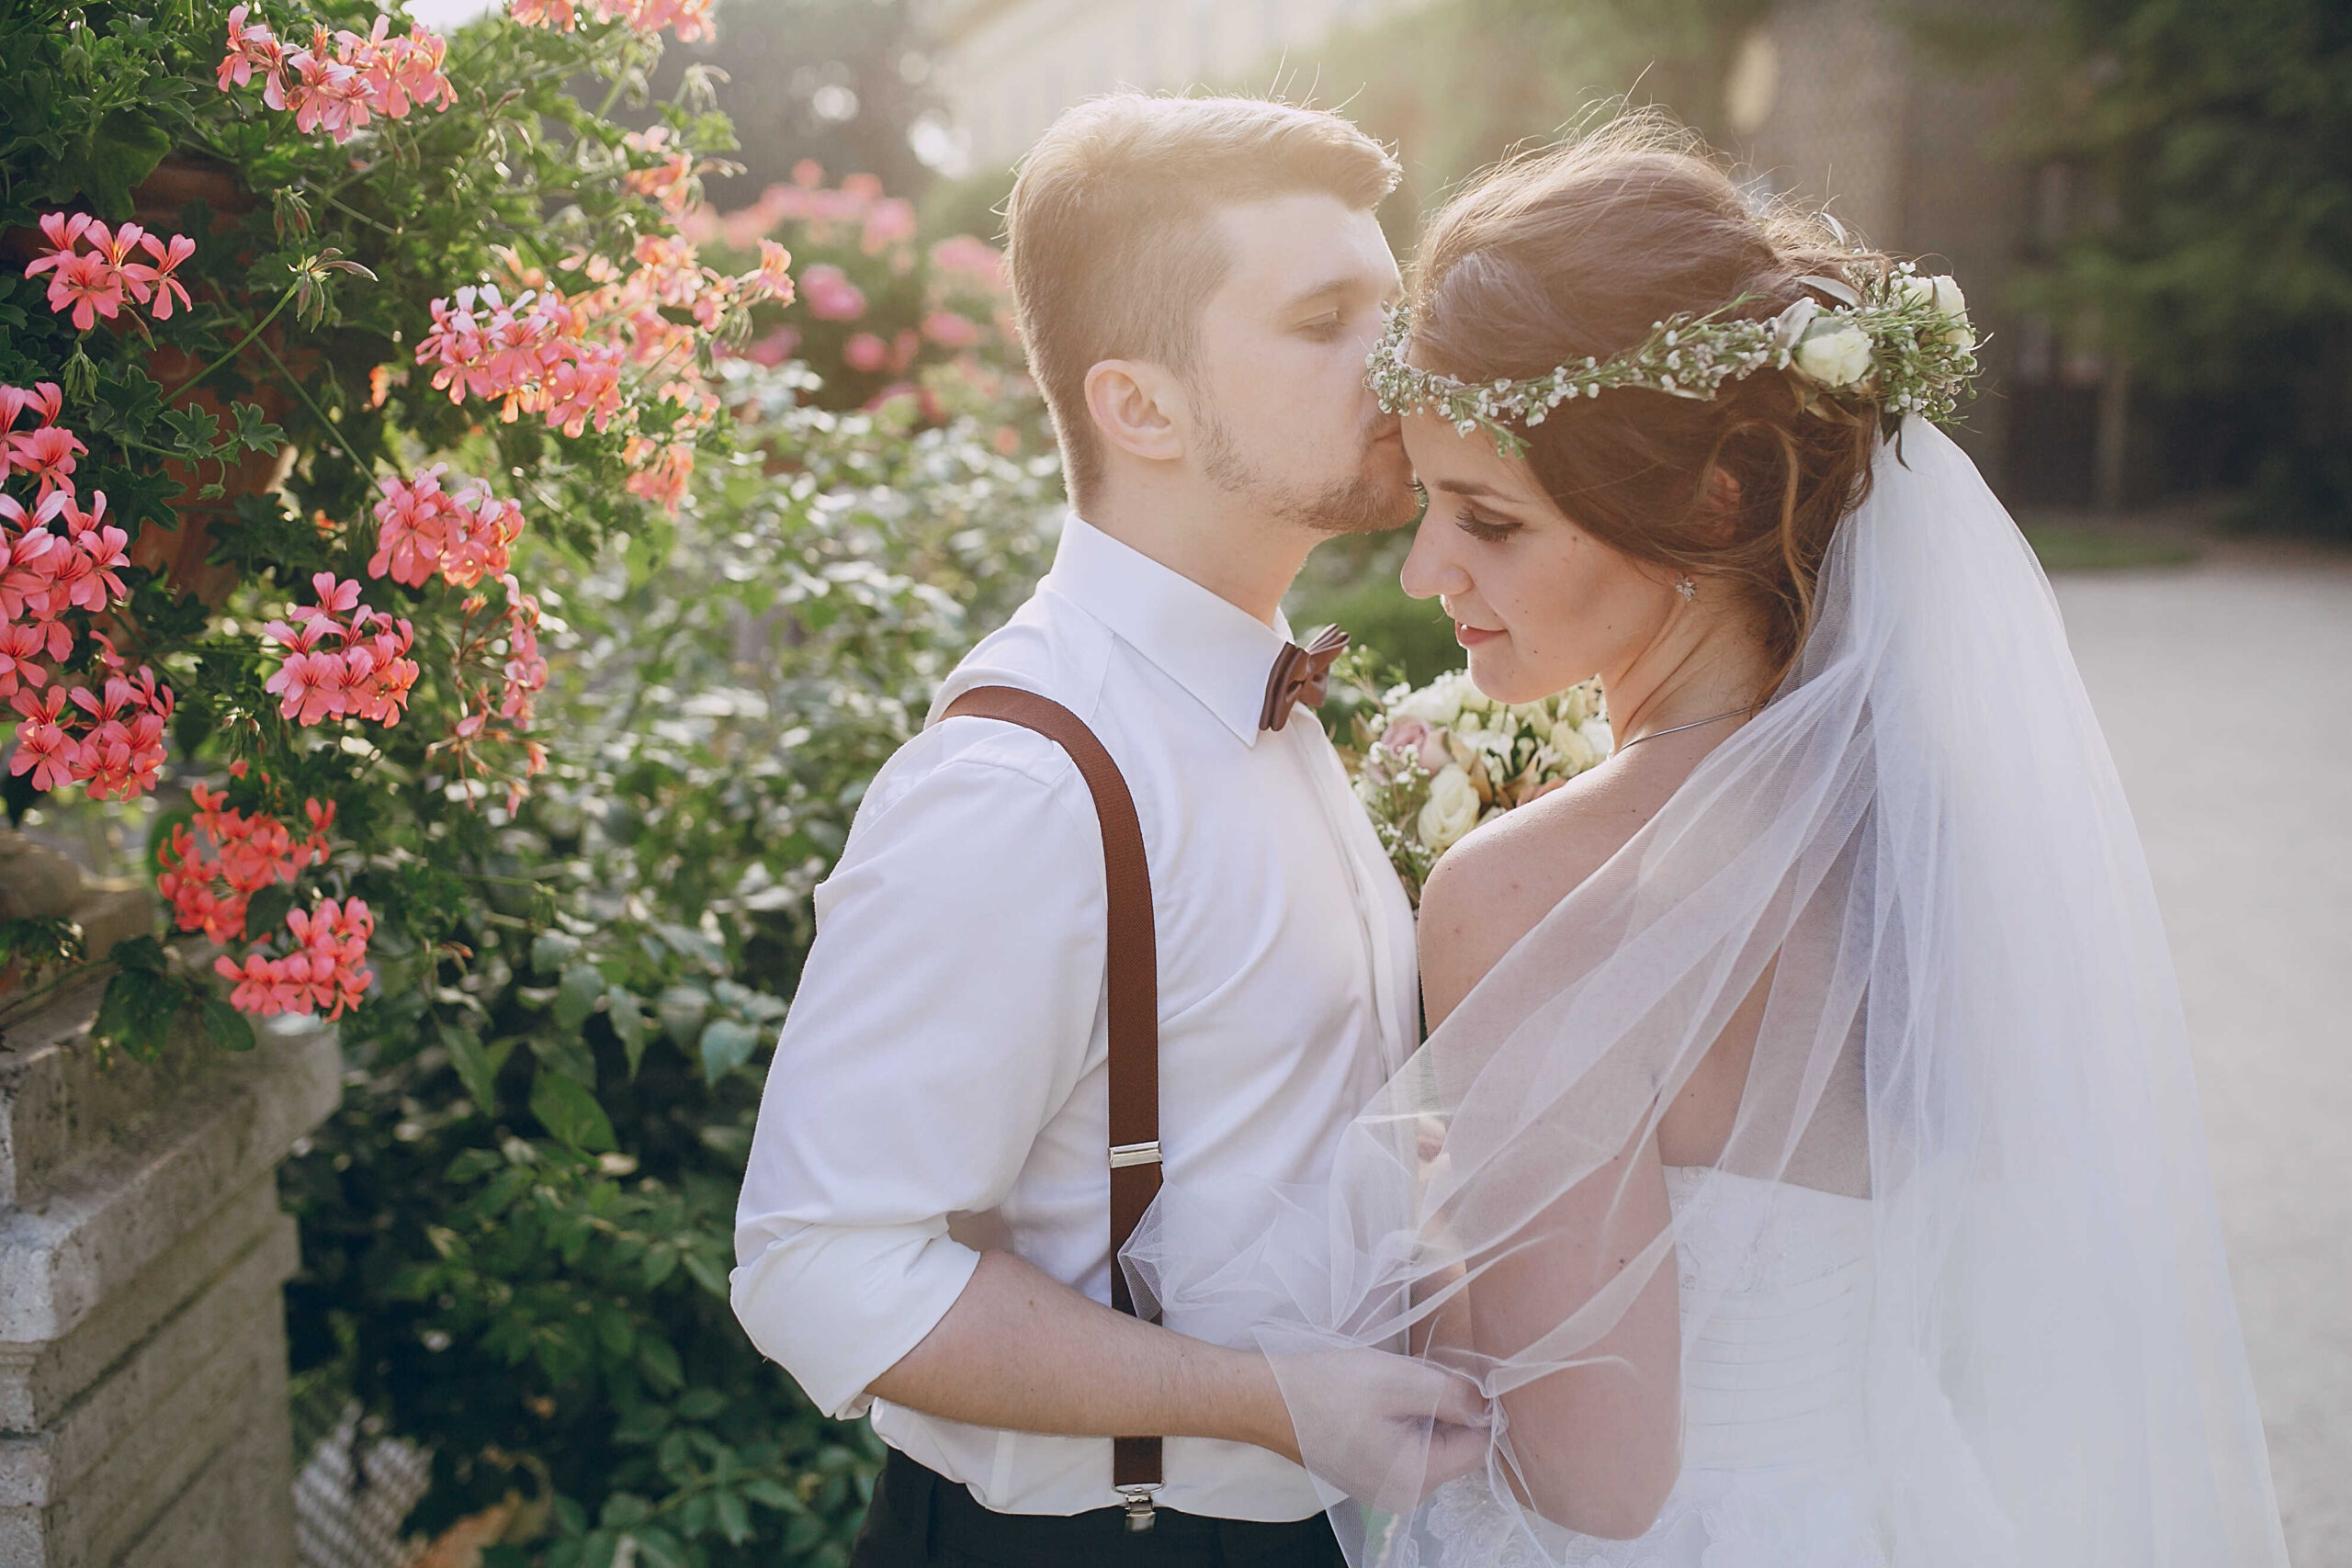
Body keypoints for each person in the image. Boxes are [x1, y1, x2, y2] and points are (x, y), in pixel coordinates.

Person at [1136, 113, 2293, 1566]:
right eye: (1431, 504)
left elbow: (1596, 1479)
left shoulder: (1528, 889)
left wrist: (1422, 1212)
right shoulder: (1923, 812)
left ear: (1710, 502)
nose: (1429, 569)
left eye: (1489, 519)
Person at [729, 94, 1485, 1568]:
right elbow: (819, 1269)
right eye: (1325, 320)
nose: (1400, 362)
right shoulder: (1022, 785)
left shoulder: (1257, 691)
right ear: (1139, 405)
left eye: (1391, 312)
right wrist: (1264, 1400)